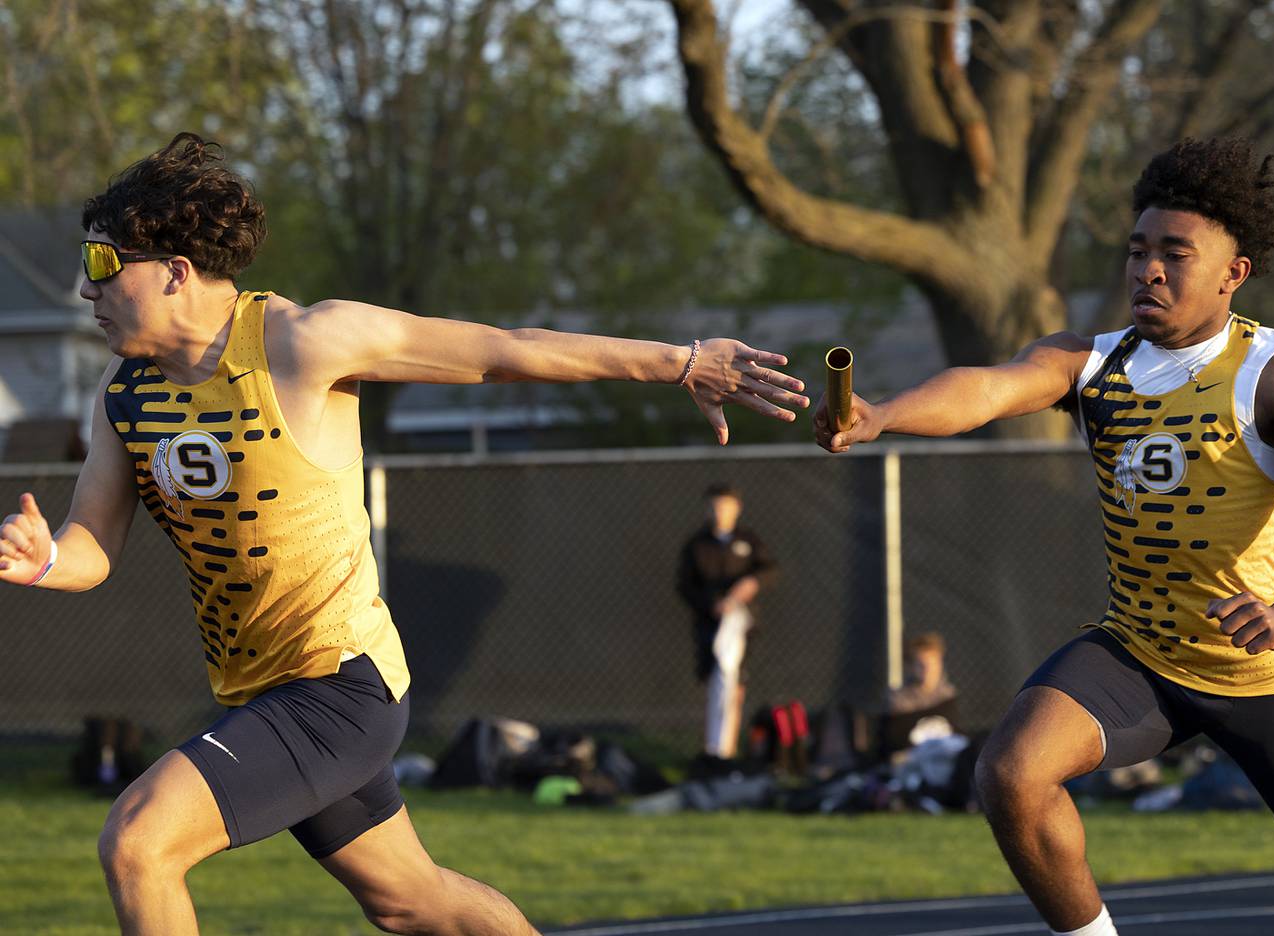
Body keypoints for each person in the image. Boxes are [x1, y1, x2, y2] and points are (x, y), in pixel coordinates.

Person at [0, 133, 808, 936]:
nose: (81, 287)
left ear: (176, 272)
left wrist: (681, 361)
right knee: (412, 903)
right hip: (259, 690)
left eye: (103, 265)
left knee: (139, 843)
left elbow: (503, 352)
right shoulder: (123, 390)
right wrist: (43, 563)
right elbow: (93, 545)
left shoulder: (303, 342)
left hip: (340, 686)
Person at [812, 137, 1274, 936]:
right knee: (1012, 772)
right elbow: (987, 390)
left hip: (1257, 671)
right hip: (1141, 652)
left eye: (1175, 254)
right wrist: (884, 415)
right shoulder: (1093, 364)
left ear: (1232, 273)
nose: (1147, 269)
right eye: (1139, 250)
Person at [676, 482, 776, 759]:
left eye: (726, 507)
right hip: (709, 625)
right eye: (715, 507)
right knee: (713, 683)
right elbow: (685, 585)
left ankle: (727, 750)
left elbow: (769, 569)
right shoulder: (697, 545)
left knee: (735, 683)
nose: (720, 512)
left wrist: (750, 584)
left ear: (737, 509)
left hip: (741, 626)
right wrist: (712, 605)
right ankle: (712, 749)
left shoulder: (749, 540)